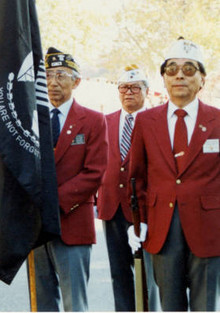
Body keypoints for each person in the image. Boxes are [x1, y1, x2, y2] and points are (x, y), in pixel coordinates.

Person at [128, 37, 220, 311]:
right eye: (171, 69)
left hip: (209, 230)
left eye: (189, 69)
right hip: (162, 228)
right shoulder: (146, 121)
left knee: (206, 307)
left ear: (202, 79)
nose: (180, 75)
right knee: (171, 306)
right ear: (164, 79)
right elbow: (137, 178)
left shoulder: (217, 120)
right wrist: (139, 221)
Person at [33, 47, 108, 311]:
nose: (53, 82)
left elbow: (95, 172)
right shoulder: (32, 120)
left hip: (72, 223)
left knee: (74, 302)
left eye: (61, 75)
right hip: (37, 227)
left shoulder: (93, 121)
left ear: (76, 81)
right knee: (42, 302)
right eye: (48, 75)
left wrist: (53, 201)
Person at [97, 65, 160, 311]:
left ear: (146, 91)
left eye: (135, 87)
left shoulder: (155, 121)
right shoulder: (105, 121)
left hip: (146, 211)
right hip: (112, 208)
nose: (128, 92)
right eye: (124, 87)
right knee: (119, 273)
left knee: (147, 274)